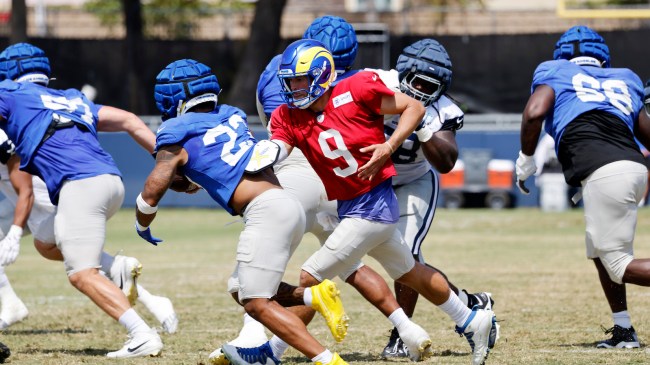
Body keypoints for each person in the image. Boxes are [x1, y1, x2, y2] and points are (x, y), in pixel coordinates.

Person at [249, 39, 495, 365]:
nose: (293, 88)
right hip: (350, 204)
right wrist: (257, 158)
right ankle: (471, 318)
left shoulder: (357, 87)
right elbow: (278, 147)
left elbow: (415, 107)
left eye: (300, 80)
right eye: (290, 81)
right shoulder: (287, 115)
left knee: (311, 278)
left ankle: (274, 352)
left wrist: (389, 146)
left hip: (374, 205)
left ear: (321, 76)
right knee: (409, 271)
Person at [136, 58, 349, 365]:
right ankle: (312, 297)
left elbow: (154, 188)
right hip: (285, 202)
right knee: (239, 287)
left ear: (173, 99)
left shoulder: (174, 129)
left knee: (256, 303)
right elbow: (214, 161)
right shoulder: (231, 114)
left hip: (265, 211)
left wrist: (142, 222)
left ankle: (327, 360)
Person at [0, 42, 163, 358]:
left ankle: (142, 334)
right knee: (46, 241)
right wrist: (168, 164)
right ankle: (118, 267)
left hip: (79, 186)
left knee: (81, 273)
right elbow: (129, 120)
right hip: (110, 181)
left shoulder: (10, 93)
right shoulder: (71, 97)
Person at [516, 25, 650, 349]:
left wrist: (525, 159)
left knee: (618, 265)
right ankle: (623, 330)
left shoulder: (555, 71)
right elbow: (647, 133)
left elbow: (534, 113)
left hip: (604, 171)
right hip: (630, 167)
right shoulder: (625, 78)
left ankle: (624, 331)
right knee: (599, 252)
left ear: (562, 55)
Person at [376, 38, 499, 358]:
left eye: (430, 86)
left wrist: (424, 128)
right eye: (416, 81)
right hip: (371, 183)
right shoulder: (376, 83)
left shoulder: (442, 111)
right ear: (401, 73)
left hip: (412, 181)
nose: (421, 90)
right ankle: (470, 304)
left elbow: (445, 163)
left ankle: (403, 333)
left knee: (404, 256)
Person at [0, 129, 178, 334]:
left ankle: (142, 316)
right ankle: (9, 302)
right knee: (80, 259)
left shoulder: (4, 137)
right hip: (29, 206)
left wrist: (14, 232)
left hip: (49, 204)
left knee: (75, 262)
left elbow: (26, 189)